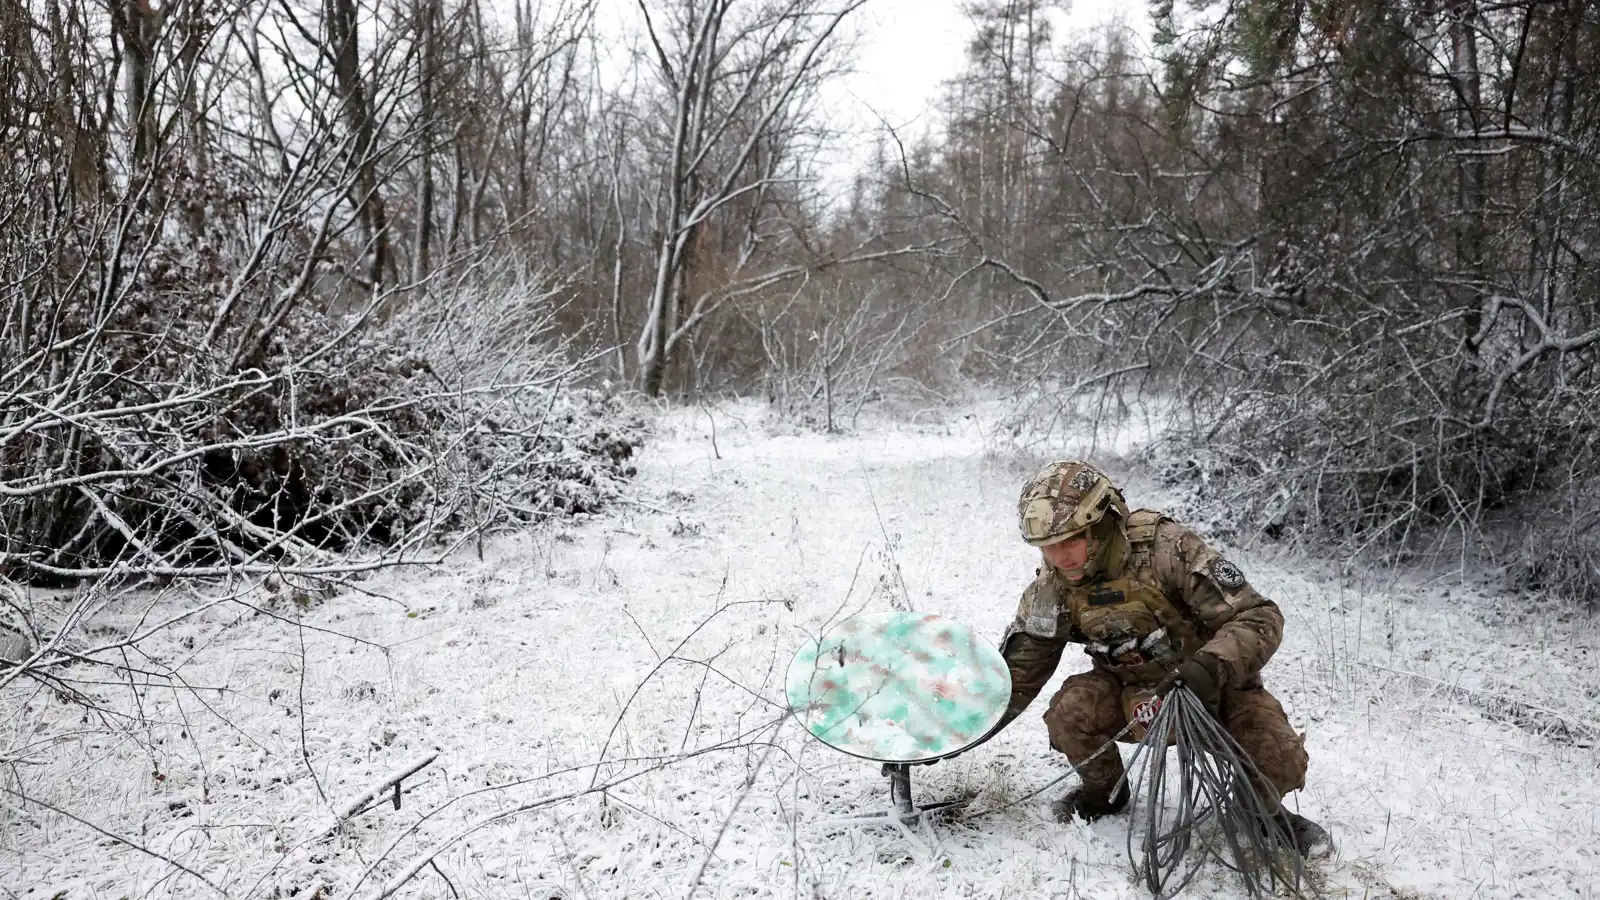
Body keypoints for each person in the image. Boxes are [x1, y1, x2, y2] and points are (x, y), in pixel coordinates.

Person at [994, 459, 1331, 857]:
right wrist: (954, 732)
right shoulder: (1053, 587)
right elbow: (1019, 674)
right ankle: (1104, 793)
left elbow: (1259, 616)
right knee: (1069, 712)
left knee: (1278, 756)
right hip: (1132, 696)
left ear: (1100, 525)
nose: (1059, 557)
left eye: (1070, 541)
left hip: (1212, 690)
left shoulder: (1167, 550)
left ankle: (1259, 812)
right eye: (1048, 547)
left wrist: (1210, 666)